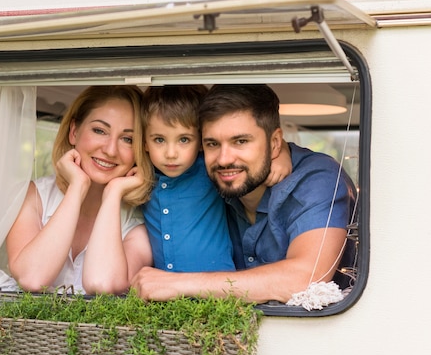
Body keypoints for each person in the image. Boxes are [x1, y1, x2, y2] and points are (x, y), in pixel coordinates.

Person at [131, 84, 356, 304]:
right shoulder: (213, 181)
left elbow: (307, 279)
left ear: (275, 143)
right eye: (212, 144)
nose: (224, 158)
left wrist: (177, 285)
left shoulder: (317, 178)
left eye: (240, 141)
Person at [6, 85, 154, 294]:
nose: (110, 150)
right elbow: (32, 278)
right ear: (74, 132)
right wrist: (77, 187)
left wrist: (113, 194)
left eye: (127, 139)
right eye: (99, 131)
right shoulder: (34, 196)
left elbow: (104, 285)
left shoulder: (141, 221)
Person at [140, 85, 292, 273]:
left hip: (217, 291)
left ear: (202, 141)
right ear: (144, 142)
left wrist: (281, 154)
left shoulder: (211, 168)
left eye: (184, 139)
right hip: (163, 295)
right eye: (159, 140)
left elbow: (267, 141)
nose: (171, 154)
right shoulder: (142, 174)